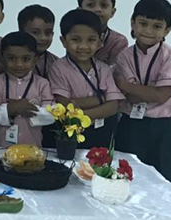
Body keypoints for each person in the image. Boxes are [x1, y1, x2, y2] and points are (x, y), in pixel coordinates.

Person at [113, 0, 171, 188]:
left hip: (165, 128)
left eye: (157, 26)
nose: (148, 30)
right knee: (127, 180)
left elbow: (159, 95)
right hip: (131, 125)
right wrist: (149, 91)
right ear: (133, 23)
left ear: (167, 30)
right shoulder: (124, 56)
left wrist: (125, 85)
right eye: (143, 23)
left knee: (169, 181)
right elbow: (132, 97)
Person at [49, 9, 122, 149]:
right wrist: (102, 100)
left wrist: (82, 114)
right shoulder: (58, 68)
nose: (83, 46)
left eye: (91, 40)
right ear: (63, 41)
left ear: (100, 42)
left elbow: (113, 106)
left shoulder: (104, 69)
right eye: (75, 40)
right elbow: (64, 105)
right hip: (71, 131)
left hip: (101, 131)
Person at [0, 32, 55, 148]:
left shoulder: (42, 84)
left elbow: (52, 114)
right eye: (12, 58)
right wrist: (10, 109)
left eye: (25, 59)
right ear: (2, 59)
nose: (19, 64)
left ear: (35, 60)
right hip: (0, 147)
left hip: (33, 147)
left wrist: (27, 109)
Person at [77, 0, 127, 65]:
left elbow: (117, 71)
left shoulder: (117, 41)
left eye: (104, 5)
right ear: (79, 11)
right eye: (91, 5)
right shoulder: (73, 36)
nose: (98, 9)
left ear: (112, 12)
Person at [17, 4, 57, 79]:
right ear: (21, 33)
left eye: (48, 33)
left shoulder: (56, 63)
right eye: (35, 32)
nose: (43, 38)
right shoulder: (12, 61)